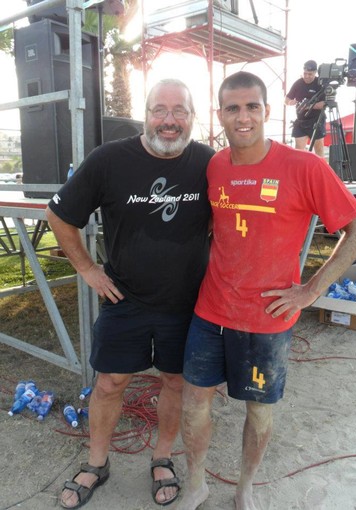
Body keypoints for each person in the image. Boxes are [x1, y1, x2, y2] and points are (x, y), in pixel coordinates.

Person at [177, 71, 356, 510]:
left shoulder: (304, 166)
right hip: (211, 312)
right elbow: (214, 229)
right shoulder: (214, 165)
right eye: (232, 108)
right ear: (221, 115)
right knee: (193, 405)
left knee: (258, 411)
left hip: (266, 320)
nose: (242, 117)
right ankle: (196, 484)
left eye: (251, 107)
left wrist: (310, 291)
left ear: (267, 111)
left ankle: (245, 485)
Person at [45, 78, 215, 509]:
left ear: (193, 116)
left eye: (180, 110)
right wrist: (86, 268)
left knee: (174, 383)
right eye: (160, 109)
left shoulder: (208, 163)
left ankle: (162, 458)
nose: (170, 120)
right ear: (146, 113)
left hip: (187, 303)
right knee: (109, 384)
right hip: (125, 299)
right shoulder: (108, 160)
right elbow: (59, 215)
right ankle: (97, 463)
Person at [285, 60, 326, 157]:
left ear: (315, 72)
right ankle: (300, 171)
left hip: (316, 120)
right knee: (298, 151)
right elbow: (286, 99)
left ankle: (320, 171)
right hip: (301, 121)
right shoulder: (298, 83)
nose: (306, 76)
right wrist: (290, 102)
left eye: (310, 74)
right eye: (305, 73)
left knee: (319, 149)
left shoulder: (320, 83)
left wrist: (308, 106)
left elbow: (325, 103)